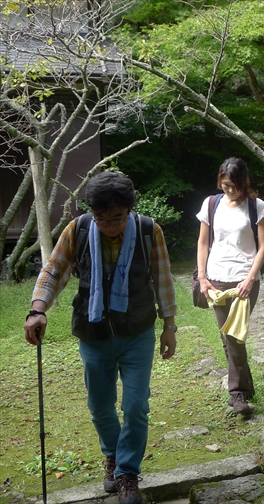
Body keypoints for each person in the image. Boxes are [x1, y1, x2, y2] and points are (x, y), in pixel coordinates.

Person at [23, 171, 177, 504]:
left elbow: (163, 277)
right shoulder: (77, 229)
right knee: (100, 406)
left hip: (137, 332)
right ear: (91, 212)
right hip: (93, 333)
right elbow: (54, 270)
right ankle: (113, 455)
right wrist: (38, 309)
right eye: (101, 218)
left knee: (135, 406)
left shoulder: (149, 230)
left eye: (116, 218)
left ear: (129, 211)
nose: (108, 225)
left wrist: (170, 325)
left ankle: (127, 473)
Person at [196, 157, 264, 416]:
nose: (230, 190)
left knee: (234, 335)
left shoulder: (256, 206)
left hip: (244, 279)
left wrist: (250, 279)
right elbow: (203, 243)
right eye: (225, 185)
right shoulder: (211, 204)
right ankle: (245, 385)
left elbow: (263, 246)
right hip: (216, 277)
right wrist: (202, 278)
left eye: (235, 185)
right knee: (225, 335)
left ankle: (236, 392)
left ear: (245, 181)